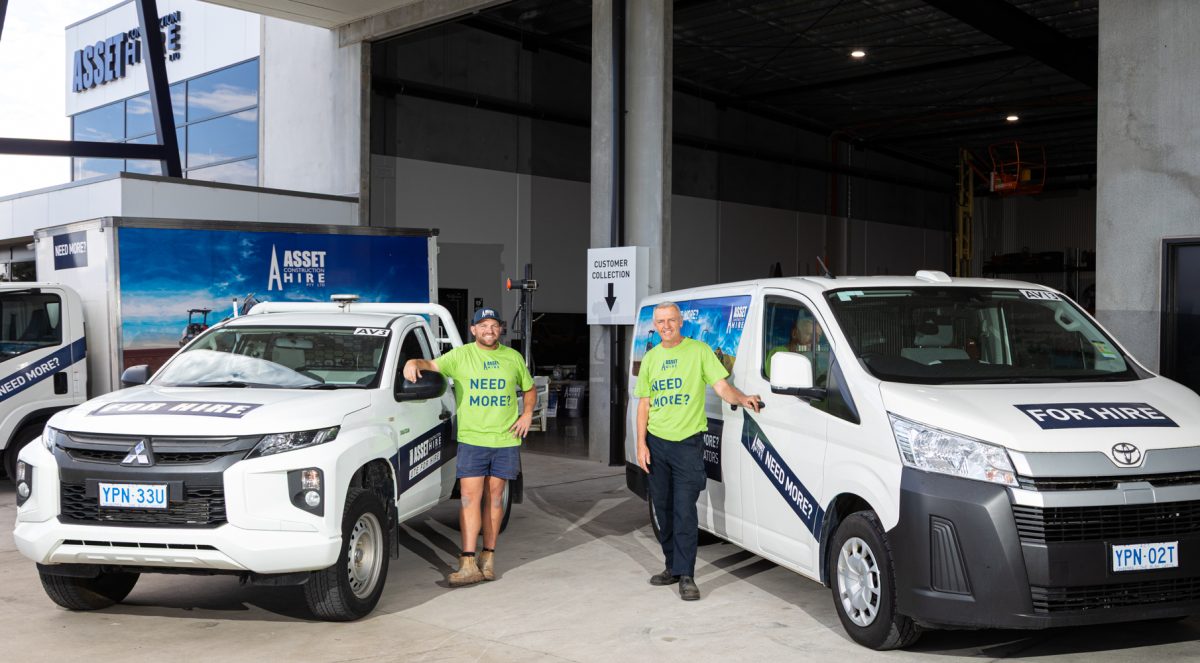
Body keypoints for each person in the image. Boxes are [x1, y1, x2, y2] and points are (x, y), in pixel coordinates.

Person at [635, 301, 762, 601]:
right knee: (663, 511)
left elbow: (721, 387)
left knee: (684, 511)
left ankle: (687, 575)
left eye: (671, 320)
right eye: (660, 322)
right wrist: (640, 443)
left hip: (688, 445)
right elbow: (644, 404)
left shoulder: (699, 351)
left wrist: (742, 398)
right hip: (656, 443)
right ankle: (672, 567)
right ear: (655, 326)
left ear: (681, 322)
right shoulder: (650, 358)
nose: (666, 326)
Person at [403, 307, 534, 586]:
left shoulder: (513, 358)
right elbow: (431, 365)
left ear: (500, 329)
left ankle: (489, 556)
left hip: (505, 439)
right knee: (468, 499)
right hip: (473, 440)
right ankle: (467, 561)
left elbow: (529, 388)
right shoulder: (460, 356)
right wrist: (412, 361)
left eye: (494, 325)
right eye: (483, 325)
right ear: (473, 330)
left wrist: (527, 414)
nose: (489, 330)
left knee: (495, 499)